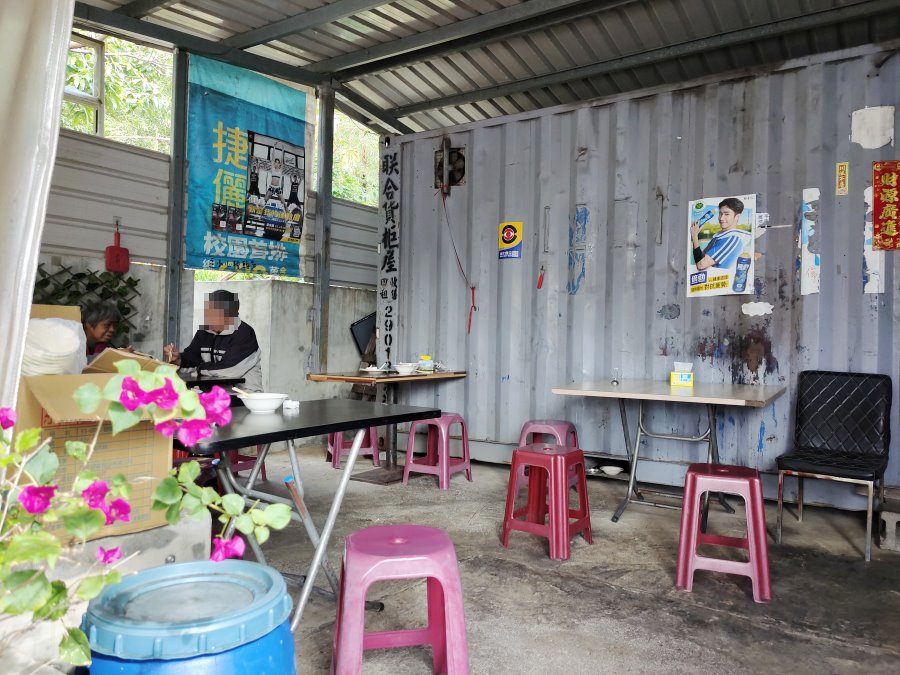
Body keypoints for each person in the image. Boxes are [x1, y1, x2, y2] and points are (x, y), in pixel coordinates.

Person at [163, 290, 262, 391]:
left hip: (244, 396)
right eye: (208, 312)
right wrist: (179, 359)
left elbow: (228, 369)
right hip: (213, 395)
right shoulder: (204, 332)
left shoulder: (244, 333)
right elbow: (192, 358)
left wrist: (199, 368)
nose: (209, 318)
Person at [690, 197, 751, 271]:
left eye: (727, 214)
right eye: (720, 213)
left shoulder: (732, 238)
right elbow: (700, 258)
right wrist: (695, 235)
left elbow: (701, 265)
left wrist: (695, 236)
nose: (721, 218)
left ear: (737, 217)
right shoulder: (720, 236)